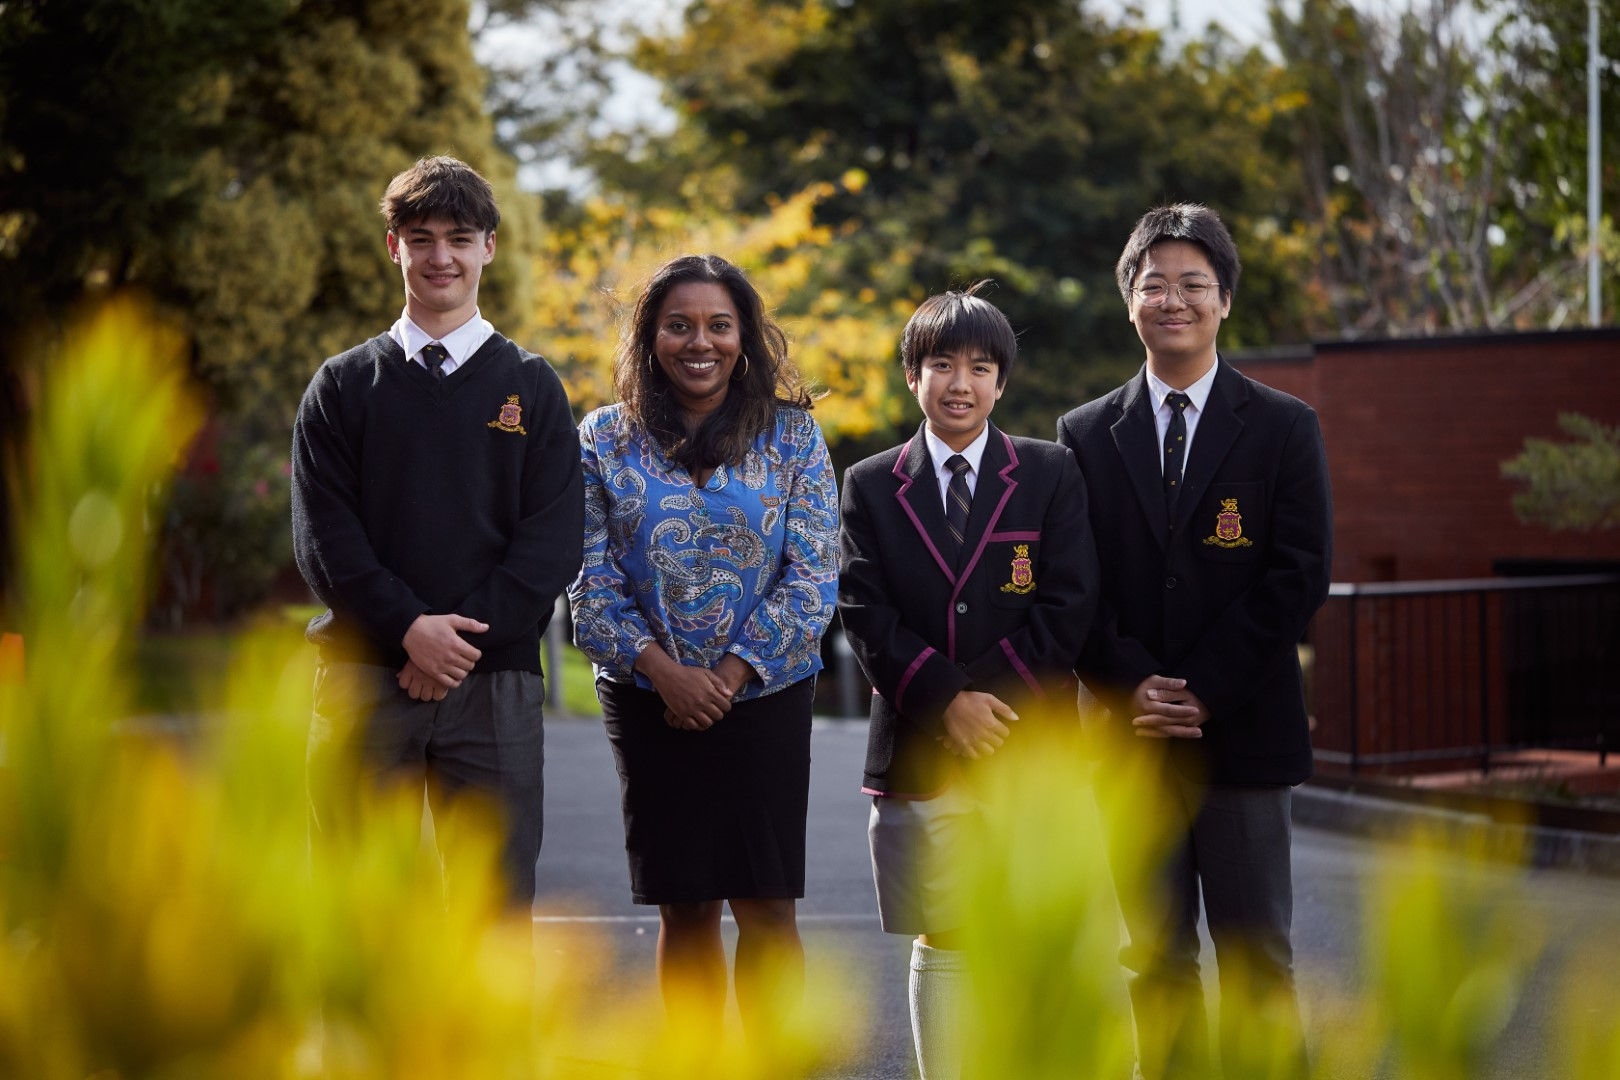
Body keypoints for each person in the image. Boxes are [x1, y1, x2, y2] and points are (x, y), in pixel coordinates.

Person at [1056, 204, 1332, 1079]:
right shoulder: (1084, 434)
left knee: (1259, 962)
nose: (1173, 299)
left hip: (1244, 733)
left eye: (1193, 285)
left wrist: (1204, 686)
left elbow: (1299, 574)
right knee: (1157, 961)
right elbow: (1074, 587)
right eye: (1155, 284)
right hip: (1131, 747)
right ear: (1130, 301)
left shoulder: (1285, 426)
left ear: (1223, 303)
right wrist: (1134, 685)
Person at [291, 155, 584, 909]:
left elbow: (551, 544)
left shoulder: (533, 386)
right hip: (363, 679)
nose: (441, 257)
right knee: (356, 911)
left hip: (495, 686)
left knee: (491, 912)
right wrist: (407, 630)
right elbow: (325, 538)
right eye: (421, 239)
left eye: (459, 237)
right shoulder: (343, 385)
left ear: (490, 245)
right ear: (394, 248)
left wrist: (450, 648)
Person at [567, 253, 839, 1040]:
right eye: (678, 324)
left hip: (766, 694)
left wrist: (725, 673)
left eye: (719, 325)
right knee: (685, 907)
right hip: (647, 698)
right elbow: (588, 582)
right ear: (650, 336)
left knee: (767, 908)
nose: (700, 342)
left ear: (744, 337)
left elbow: (815, 573)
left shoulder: (791, 437)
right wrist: (665, 674)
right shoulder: (602, 440)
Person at [837, 283, 1098, 1080]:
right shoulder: (872, 484)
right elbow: (862, 609)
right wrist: (948, 700)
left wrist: (988, 704)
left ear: (1002, 382)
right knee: (943, 933)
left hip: (1030, 747)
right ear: (911, 375)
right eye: (941, 364)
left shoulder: (1051, 473)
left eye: (980, 367)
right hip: (919, 754)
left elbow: (1071, 603)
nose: (961, 383)